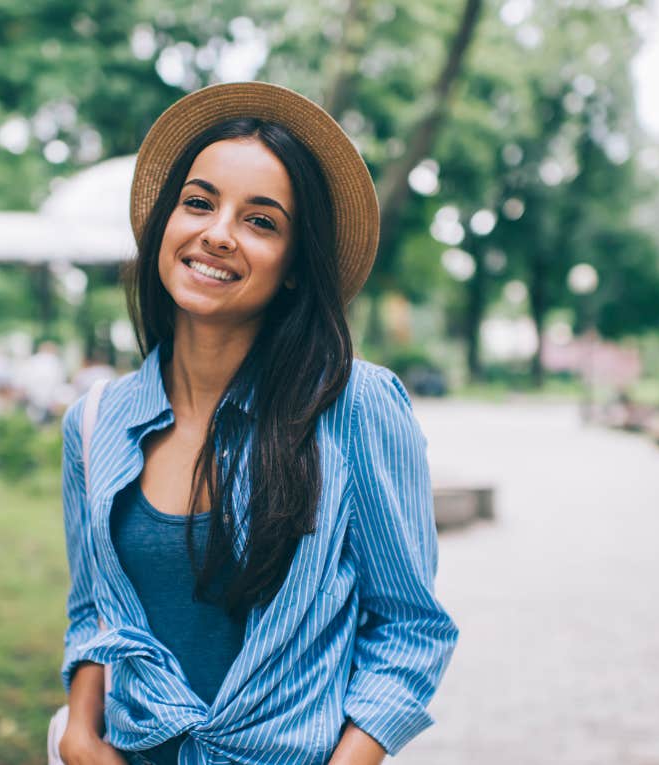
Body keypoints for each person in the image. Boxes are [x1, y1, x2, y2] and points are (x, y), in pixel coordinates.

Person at [53, 82, 458, 765]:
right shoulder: (93, 424)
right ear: (165, 225)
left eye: (260, 221)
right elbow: (96, 608)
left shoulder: (355, 405)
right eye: (199, 203)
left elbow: (410, 629)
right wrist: (80, 732)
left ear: (296, 268)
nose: (217, 233)